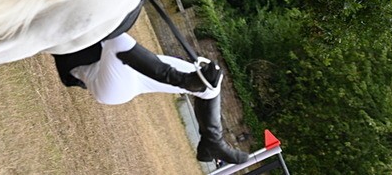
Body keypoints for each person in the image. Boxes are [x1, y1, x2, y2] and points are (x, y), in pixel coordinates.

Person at [52, 32, 250, 165]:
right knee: (210, 83)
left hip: (113, 81)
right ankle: (211, 142)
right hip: (117, 75)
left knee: (209, 78)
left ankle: (212, 140)